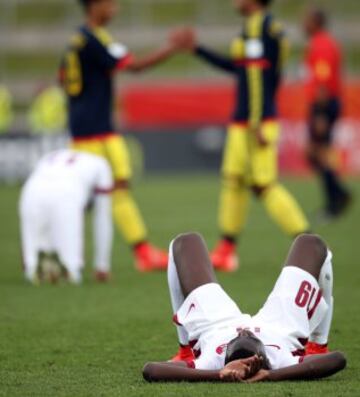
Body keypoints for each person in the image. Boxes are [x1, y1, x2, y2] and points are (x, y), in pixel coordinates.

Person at [171, 0, 309, 272]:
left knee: (264, 184)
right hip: (245, 119)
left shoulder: (260, 29)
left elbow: (258, 78)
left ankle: (309, 243)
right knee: (234, 181)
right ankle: (226, 249)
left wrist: (256, 120)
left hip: (253, 120)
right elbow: (241, 69)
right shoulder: (260, 28)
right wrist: (198, 50)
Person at [59, 0, 181, 272]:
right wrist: (172, 48)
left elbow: (62, 78)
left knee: (120, 187)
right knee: (82, 199)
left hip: (102, 129)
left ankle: (143, 252)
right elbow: (134, 67)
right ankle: (49, 247)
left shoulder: (90, 39)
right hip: (89, 133)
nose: (114, 9)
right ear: (93, 6)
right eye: (109, 4)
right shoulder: (90, 41)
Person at [143, 232, 346, 382]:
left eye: (238, 339)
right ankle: (318, 345)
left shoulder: (211, 361)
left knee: (185, 243)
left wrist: (218, 374)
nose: (244, 331)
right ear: (262, 357)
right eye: (250, 338)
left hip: (217, 326)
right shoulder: (280, 359)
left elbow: (151, 370)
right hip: (279, 325)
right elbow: (338, 360)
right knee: (312, 244)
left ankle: (185, 350)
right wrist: (270, 375)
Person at [19, 149, 113, 285]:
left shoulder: (52, 154)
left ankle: (34, 266)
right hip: (67, 193)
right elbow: (102, 218)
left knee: (31, 269)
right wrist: (102, 266)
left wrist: (26, 254)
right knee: (72, 274)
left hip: (30, 191)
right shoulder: (102, 164)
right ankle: (65, 269)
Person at [303, 8, 351, 221]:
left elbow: (322, 81)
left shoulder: (320, 45)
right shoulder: (326, 43)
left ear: (316, 22)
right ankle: (338, 194)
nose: (302, 24)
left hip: (324, 104)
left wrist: (320, 114)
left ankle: (335, 200)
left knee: (318, 153)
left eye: (306, 20)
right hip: (328, 102)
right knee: (317, 153)